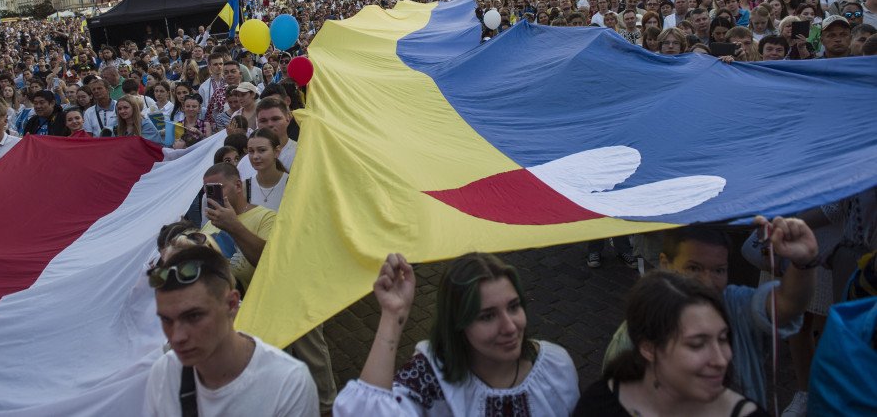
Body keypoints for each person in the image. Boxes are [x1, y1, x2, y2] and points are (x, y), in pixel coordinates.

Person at [602, 219, 818, 406]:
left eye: (718, 270)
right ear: (665, 264)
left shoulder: (736, 304)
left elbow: (786, 305)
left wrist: (802, 262)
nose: (707, 282)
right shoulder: (632, 339)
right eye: (693, 268)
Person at [334, 252, 579, 416]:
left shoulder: (555, 369)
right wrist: (392, 316)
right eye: (487, 316)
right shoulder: (430, 378)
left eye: (514, 307)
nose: (510, 326)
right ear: (458, 325)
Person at [143, 244, 318, 416]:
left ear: (232, 304)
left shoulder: (288, 382)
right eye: (166, 319)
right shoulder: (164, 373)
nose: (177, 337)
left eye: (194, 316)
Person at [574, 271, 767, 416]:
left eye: (723, 338)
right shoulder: (599, 405)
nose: (721, 360)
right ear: (649, 348)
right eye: (697, 344)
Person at [198, 162, 276, 293]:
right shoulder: (210, 223)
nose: (211, 197)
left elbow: (269, 262)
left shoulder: (267, 217)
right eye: (208, 191)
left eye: (217, 189)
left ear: (238, 186)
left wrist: (234, 226)